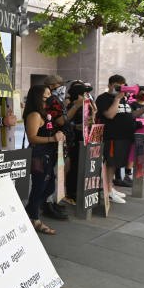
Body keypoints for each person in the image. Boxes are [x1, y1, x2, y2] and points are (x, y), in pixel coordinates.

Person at [95, 74, 144, 204]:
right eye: (117, 86)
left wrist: (143, 109)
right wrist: (117, 99)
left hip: (125, 136)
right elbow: (109, 115)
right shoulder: (103, 98)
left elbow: (130, 115)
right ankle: (107, 192)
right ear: (109, 85)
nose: (121, 89)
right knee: (111, 164)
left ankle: (110, 188)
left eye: (123, 86)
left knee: (116, 165)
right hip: (113, 136)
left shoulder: (124, 99)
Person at [23, 84, 65, 235]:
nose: (49, 97)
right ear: (38, 96)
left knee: (49, 188)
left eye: (50, 94)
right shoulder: (34, 115)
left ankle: (28, 213)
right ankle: (35, 219)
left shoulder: (46, 112)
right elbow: (32, 138)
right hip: (39, 156)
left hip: (48, 155)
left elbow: (60, 123)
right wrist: (52, 138)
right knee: (39, 188)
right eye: (46, 94)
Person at [43, 75, 84, 219]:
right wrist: (77, 106)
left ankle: (52, 201)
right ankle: (47, 203)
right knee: (50, 174)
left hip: (59, 141)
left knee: (56, 173)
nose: (62, 87)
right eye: (59, 84)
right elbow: (62, 121)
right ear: (53, 86)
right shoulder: (52, 100)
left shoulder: (58, 100)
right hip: (52, 141)